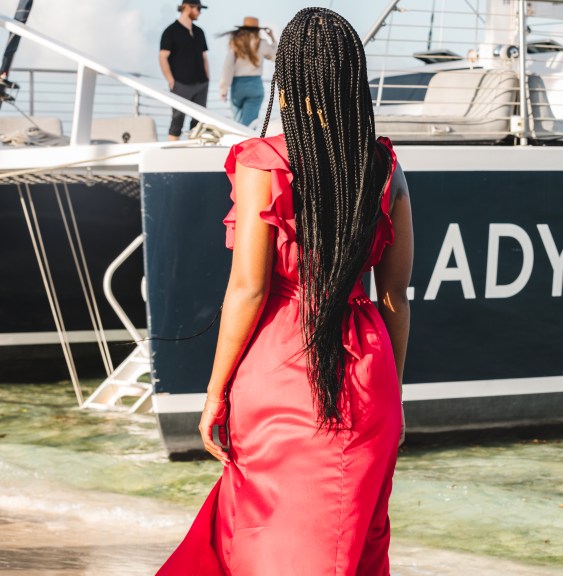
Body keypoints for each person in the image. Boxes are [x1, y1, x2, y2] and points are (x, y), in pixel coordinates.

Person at [156, 7, 412, 575]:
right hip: (368, 377)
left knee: (260, 543)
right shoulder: (384, 167)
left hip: (282, 374)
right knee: (348, 548)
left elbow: (248, 289)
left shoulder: (264, 164)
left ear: (288, 78)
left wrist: (215, 392)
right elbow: (395, 295)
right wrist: (393, 394)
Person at [159, 0, 210, 141]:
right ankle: (172, 156)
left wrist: (207, 78)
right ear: (187, 7)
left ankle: (193, 155)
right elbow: (163, 57)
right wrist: (171, 81)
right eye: (197, 8)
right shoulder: (170, 31)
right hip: (180, 84)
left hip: (201, 84)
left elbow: (204, 56)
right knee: (177, 121)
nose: (199, 12)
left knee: (198, 122)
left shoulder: (199, 32)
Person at [219, 16, 275, 127]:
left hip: (237, 86)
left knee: (238, 123)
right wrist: (272, 38)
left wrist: (223, 89)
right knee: (249, 125)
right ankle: (246, 142)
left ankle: (238, 143)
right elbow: (276, 56)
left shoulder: (235, 44)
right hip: (255, 86)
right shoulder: (262, 43)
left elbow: (228, 66)